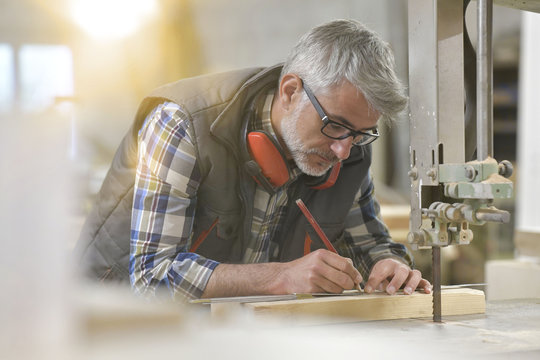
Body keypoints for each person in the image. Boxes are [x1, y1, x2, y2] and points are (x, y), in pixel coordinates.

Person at [76, 19, 432, 301]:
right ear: (290, 91)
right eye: (335, 126)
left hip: (230, 327)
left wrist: (390, 266)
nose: (343, 150)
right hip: (115, 325)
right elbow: (154, 277)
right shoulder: (183, 123)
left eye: (360, 134)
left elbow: (369, 243)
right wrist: (282, 275)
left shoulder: (348, 145)